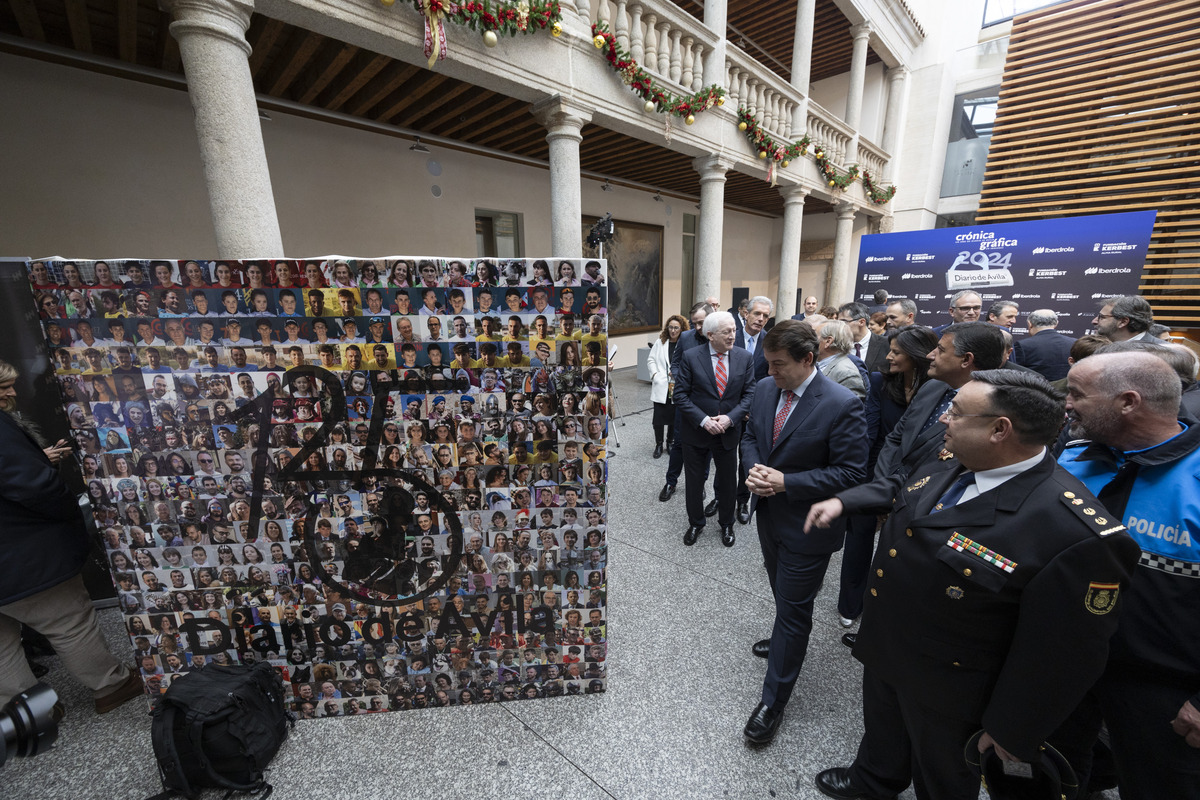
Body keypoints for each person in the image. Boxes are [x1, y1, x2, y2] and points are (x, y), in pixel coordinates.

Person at [806, 369, 1140, 800]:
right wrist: (843, 500)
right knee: (884, 732)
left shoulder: (1073, 532)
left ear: (1000, 430)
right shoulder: (956, 457)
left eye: (957, 412)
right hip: (890, 645)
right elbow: (904, 487)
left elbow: (1065, 654)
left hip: (955, 689)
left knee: (941, 774)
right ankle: (874, 779)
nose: (944, 419)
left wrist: (1012, 729)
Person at [1057, 351, 1200, 799]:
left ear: (1127, 402)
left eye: (1077, 394)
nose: (1066, 403)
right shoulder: (1072, 454)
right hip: (1065, 667)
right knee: (1050, 777)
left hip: (1165, 691)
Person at [739, 320, 868, 745]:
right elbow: (750, 437)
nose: (770, 373)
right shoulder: (762, 389)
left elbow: (851, 473)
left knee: (795, 612)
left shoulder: (841, 403)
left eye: (778, 365)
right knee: (783, 595)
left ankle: (772, 703)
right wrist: (755, 471)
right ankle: (782, 640)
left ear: (808, 359)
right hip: (769, 516)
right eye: (768, 364)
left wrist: (787, 482)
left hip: (809, 527)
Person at [0, 360, 143, 712]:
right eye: (3, 387)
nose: (12, 393)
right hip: (21, 554)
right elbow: (33, 488)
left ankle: (31, 712)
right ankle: (111, 684)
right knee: (68, 621)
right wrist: (69, 510)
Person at [874, 322, 1004, 482]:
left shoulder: (991, 408)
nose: (930, 355)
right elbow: (895, 439)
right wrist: (881, 485)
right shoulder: (932, 387)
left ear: (966, 359)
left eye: (941, 350)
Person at [674, 311, 755, 548]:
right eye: (727, 332)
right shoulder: (691, 357)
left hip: (728, 432)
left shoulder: (744, 357)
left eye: (734, 330)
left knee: (728, 481)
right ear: (710, 335)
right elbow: (679, 395)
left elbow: (750, 393)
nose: (733, 336)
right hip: (696, 432)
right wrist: (703, 420)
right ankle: (696, 523)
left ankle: (726, 523)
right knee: (695, 481)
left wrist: (731, 419)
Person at [648, 314, 686, 460]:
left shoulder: (684, 343)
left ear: (682, 329)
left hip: (677, 384)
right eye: (670, 327)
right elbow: (651, 360)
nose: (673, 330)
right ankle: (658, 444)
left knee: (673, 416)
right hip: (661, 384)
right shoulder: (661, 342)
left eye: (676, 327)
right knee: (658, 417)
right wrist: (655, 375)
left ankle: (670, 442)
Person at [1013, 308, 1076, 381]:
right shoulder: (1074, 343)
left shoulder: (1023, 345)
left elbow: (1015, 374)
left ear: (1030, 324)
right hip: (1066, 390)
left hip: (1035, 390)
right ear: (1056, 323)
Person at [836, 302, 888, 374]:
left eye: (843, 322)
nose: (839, 326)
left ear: (861, 322)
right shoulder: (836, 345)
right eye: (838, 322)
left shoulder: (886, 345)